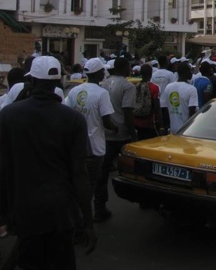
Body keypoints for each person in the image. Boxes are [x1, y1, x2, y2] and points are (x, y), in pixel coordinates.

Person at [0, 56, 97, 268]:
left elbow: (3, 169)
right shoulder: (73, 119)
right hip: (61, 212)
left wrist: (4, 213)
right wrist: (87, 222)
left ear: (32, 81)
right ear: (58, 82)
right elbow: (80, 174)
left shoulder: (8, 115)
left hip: (24, 210)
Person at [64, 58, 116, 197]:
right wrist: (116, 129)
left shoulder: (75, 90)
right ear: (99, 73)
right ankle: (86, 215)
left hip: (76, 146)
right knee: (90, 184)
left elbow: (66, 112)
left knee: (76, 183)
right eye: (102, 71)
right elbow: (107, 122)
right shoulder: (101, 93)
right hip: (95, 148)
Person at [96, 57, 136, 222]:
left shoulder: (104, 84)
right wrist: (133, 134)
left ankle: (99, 206)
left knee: (102, 173)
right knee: (132, 170)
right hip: (122, 135)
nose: (130, 69)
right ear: (124, 67)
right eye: (129, 66)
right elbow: (128, 112)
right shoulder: (128, 86)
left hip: (105, 134)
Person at [162, 63, 199, 133]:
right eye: (190, 71)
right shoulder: (192, 89)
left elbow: (167, 109)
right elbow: (192, 112)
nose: (191, 73)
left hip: (172, 130)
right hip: (186, 131)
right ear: (185, 72)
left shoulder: (168, 87)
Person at [133, 64, 163, 139]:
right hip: (149, 124)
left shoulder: (136, 86)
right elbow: (157, 108)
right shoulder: (154, 87)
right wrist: (161, 126)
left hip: (136, 122)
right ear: (151, 74)